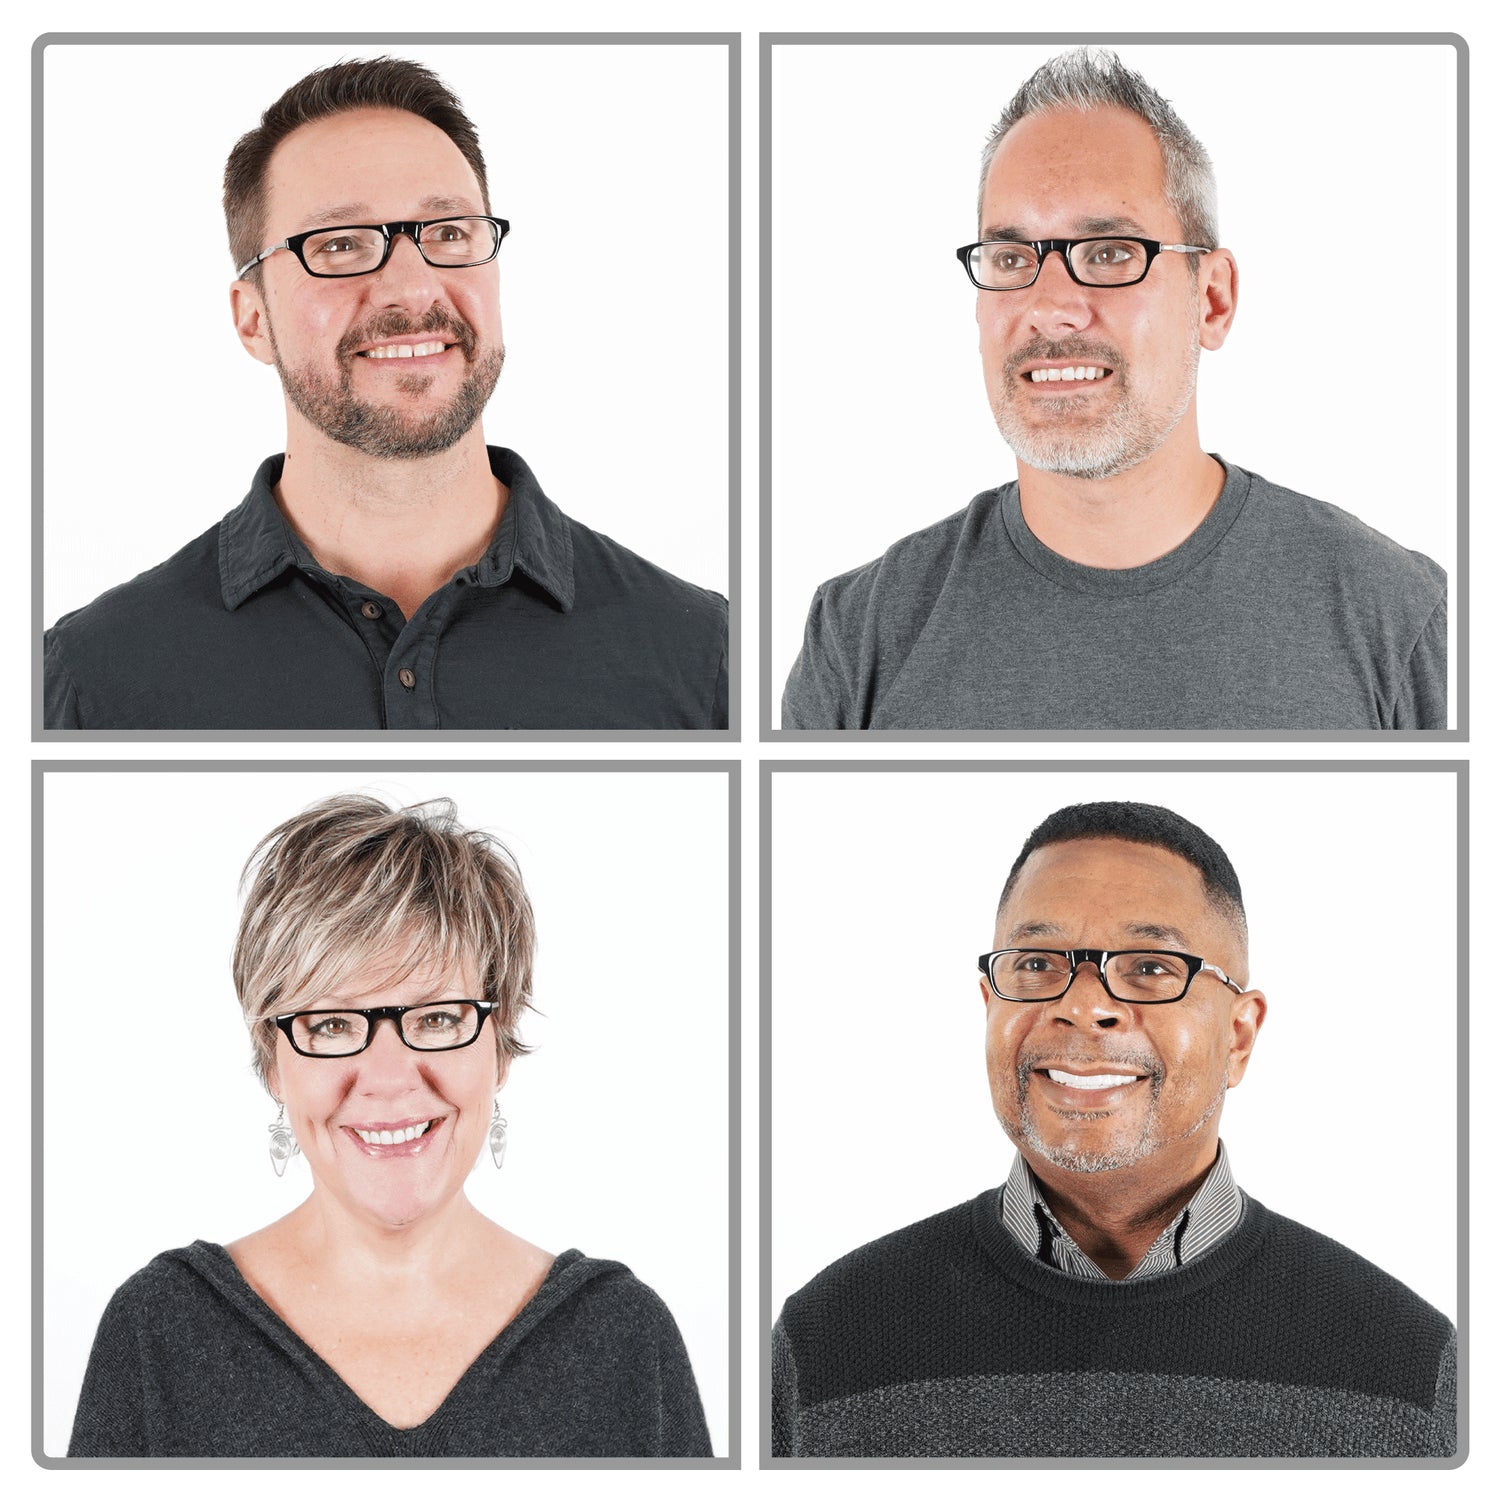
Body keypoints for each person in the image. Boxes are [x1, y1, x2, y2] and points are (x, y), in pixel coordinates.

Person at [44, 57, 727, 730]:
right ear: (252, 319)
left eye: (450, 233)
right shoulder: (94, 676)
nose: (413, 288)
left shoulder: (704, 656)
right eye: (339, 244)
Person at [781, 48, 1445, 731]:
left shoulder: (1399, 619)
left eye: (1109, 254)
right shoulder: (860, 636)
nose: (1050, 306)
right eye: (1012, 258)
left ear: (1211, 300)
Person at [772, 801, 1455, 1458]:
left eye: (1151, 969)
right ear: (989, 1006)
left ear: (1239, 1036)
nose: (1083, 1006)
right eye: (1038, 965)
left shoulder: (1406, 1363)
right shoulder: (830, 1337)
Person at [69, 795, 711, 1457]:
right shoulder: (160, 1333)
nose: (389, 1077)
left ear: (500, 1042)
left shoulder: (623, 1338)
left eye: (437, 1018)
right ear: (272, 1062)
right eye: (333, 1024)